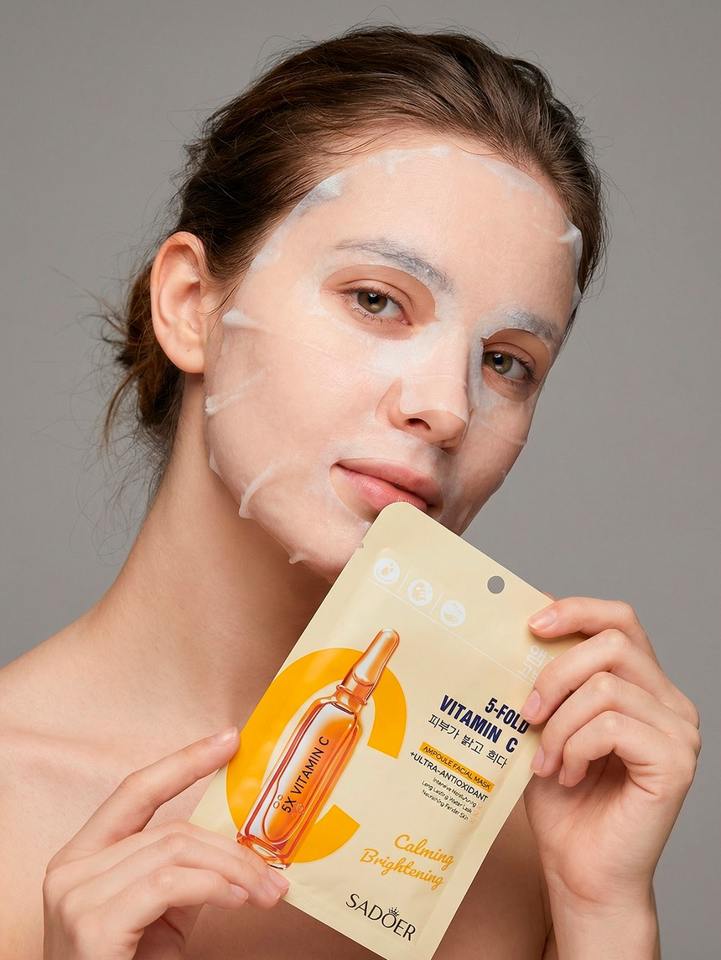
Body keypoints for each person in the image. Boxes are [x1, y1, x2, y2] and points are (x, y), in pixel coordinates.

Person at [0, 24, 701, 960]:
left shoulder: (530, 838)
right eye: (376, 300)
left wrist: (604, 917)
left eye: (506, 362)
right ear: (191, 305)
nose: (446, 407)